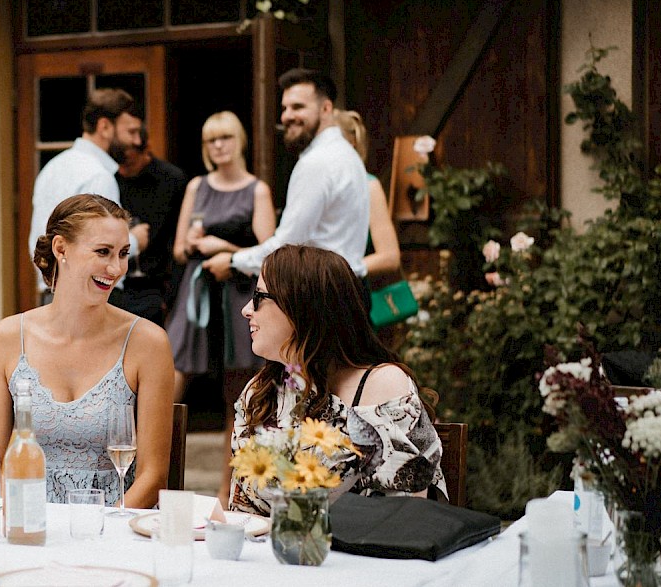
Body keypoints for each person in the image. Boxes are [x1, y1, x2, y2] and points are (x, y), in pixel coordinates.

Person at [227, 245, 447, 516]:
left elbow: (405, 510)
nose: (247, 310)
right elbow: (242, 513)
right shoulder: (261, 393)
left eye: (259, 296)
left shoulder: (381, 386)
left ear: (302, 307)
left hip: (366, 555)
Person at [0, 194, 174, 508]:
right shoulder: (6, 339)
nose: (115, 268)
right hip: (28, 526)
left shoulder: (148, 344)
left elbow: (153, 477)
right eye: (103, 252)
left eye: (123, 254)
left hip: (113, 532)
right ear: (61, 249)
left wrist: (101, 532)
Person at [164, 112, 275, 502]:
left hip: (236, 296)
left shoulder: (257, 190)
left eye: (225, 137)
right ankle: (159, 476)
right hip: (197, 297)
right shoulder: (197, 186)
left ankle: (229, 489)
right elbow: (178, 249)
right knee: (172, 382)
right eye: (211, 140)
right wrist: (197, 245)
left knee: (238, 393)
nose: (218, 146)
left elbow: (270, 251)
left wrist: (225, 248)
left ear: (240, 140)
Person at [203, 69, 370, 285]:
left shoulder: (317, 162)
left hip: (325, 290)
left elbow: (288, 246)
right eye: (285, 108)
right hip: (347, 286)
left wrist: (234, 262)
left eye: (298, 107)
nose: (287, 116)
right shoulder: (346, 153)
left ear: (326, 108)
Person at [28, 88, 150, 302]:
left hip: (53, 294)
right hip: (88, 296)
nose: (137, 141)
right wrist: (136, 241)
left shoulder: (52, 167)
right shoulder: (98, 176)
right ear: (104, 127)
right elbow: (99, 245)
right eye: (130, 132)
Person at [114, 126, 188, 325]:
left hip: (157, 287)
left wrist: (170, 296)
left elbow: (178, 238)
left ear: (146, 150)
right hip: (119, 284)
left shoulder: (172, 179)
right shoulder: (111, 179)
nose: (123, 169)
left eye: (129, 161)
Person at [334, 109, 401, 283]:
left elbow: (390, 257)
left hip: (351, 290)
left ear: (352, 142)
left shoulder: (368, 186)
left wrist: (335, 271)